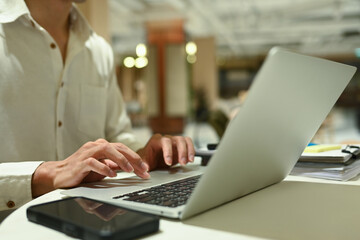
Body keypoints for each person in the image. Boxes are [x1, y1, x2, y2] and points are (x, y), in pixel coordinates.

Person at [0, 0, 195, 220]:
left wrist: (141, 156)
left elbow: (117, 134)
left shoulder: (99, 50)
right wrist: (44, 176)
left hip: (89, 224)